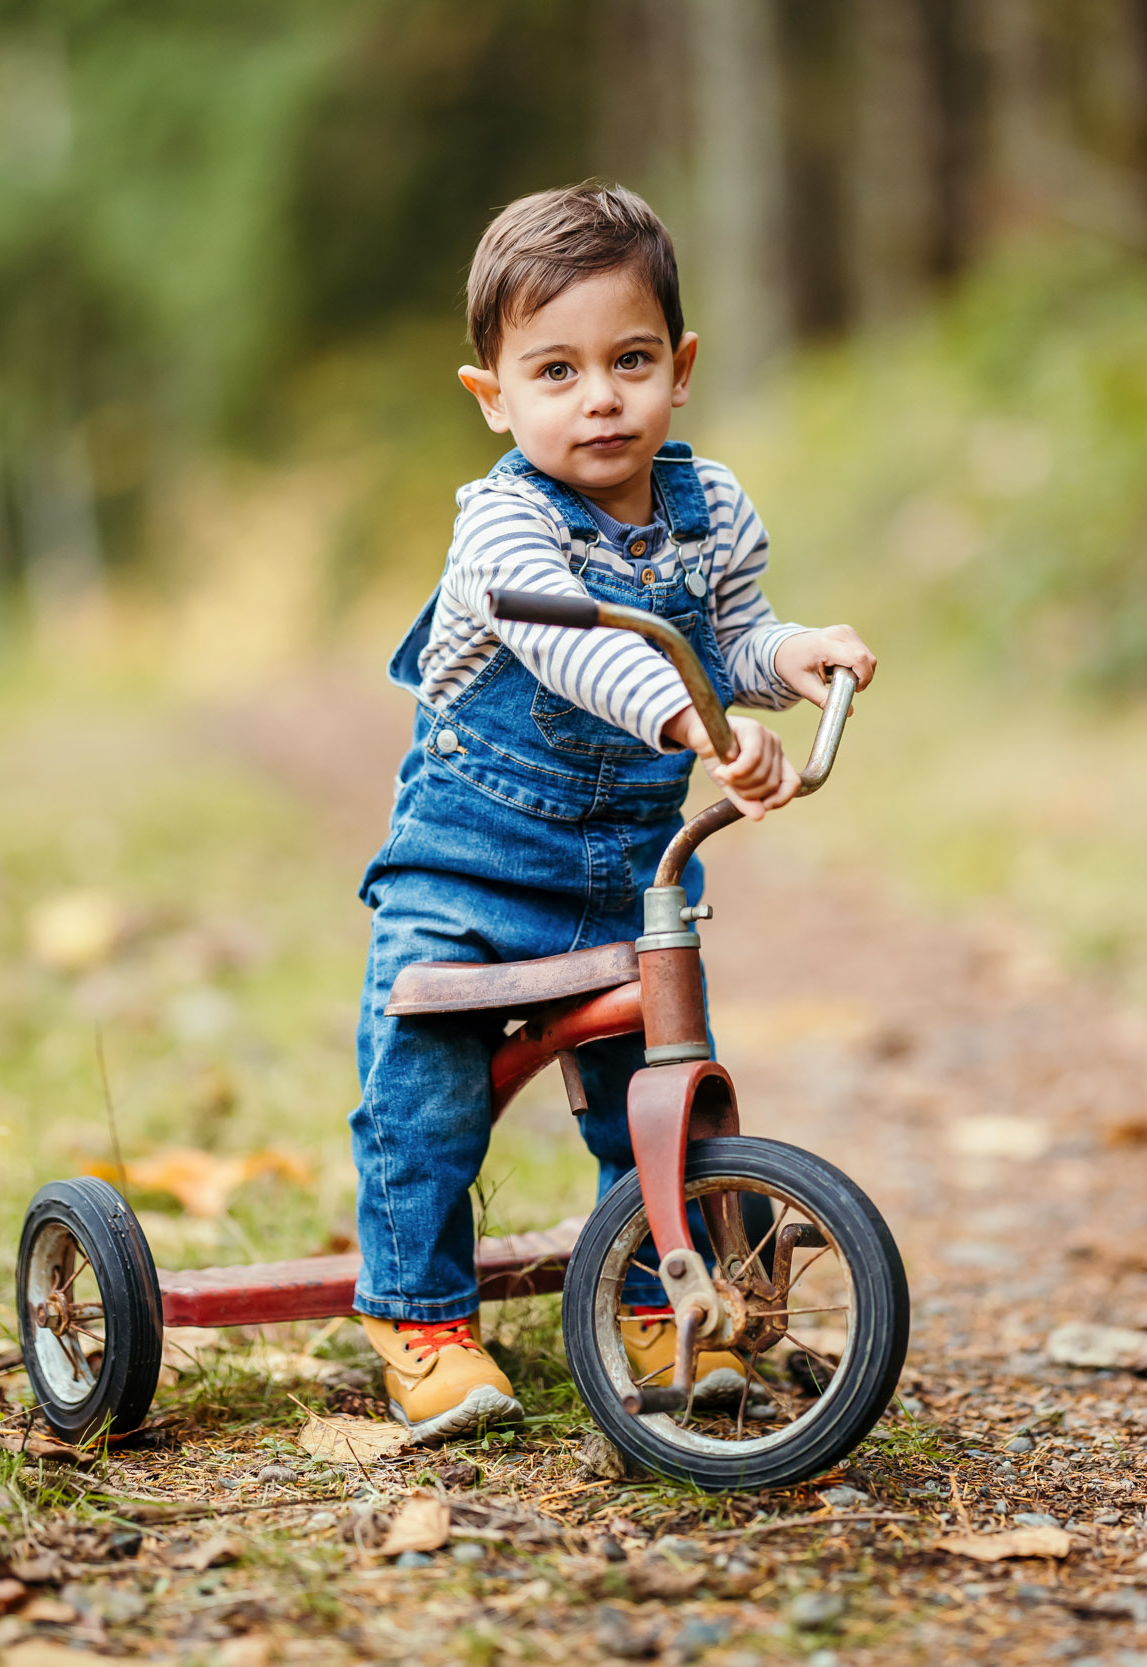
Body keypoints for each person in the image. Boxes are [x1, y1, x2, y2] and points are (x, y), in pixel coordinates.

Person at [348, 181, 878, 1441]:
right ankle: (419, 1317)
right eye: (556, 370)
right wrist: (700, 724)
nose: (599, 396)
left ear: (679, 367)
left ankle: (662, 1296)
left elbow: (725, 633)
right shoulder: (502, 527)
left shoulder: (712, 509)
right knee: (423, 1087)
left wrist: (789, 652)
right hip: (468, 870)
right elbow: (590, 652)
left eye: (629, 360)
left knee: (661, 1081)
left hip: (630, 874)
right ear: (494, 394)